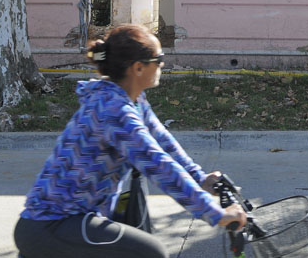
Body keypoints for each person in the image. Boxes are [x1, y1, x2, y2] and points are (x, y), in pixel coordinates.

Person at [14, 24, 247, 258]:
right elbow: (157, 164)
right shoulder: (114, 110)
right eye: (159, 58)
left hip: (75, 222)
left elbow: (163, 145)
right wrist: (215, 213)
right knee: (150, 252)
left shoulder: (131, 100)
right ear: (138, 67)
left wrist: (200, 179)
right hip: (52, 226)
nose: (162, 64)